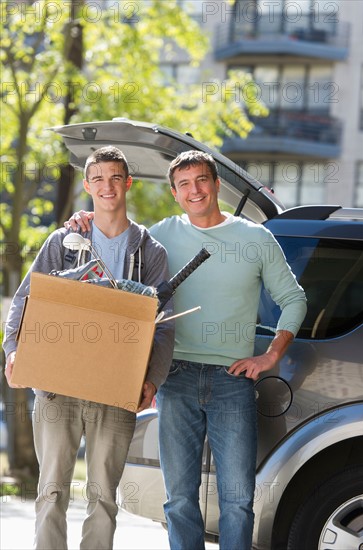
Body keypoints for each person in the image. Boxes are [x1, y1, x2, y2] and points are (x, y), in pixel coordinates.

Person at [65, 150, 307, 550]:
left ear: (215, 184)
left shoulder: (255, 239)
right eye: (184, 184)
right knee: (179, 500)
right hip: (174, 377)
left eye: (201, 181)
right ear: (175, 194)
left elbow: (294, 300)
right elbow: (121, 274)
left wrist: (271, 356)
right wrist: (84, 221)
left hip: (234, 380)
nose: (194, 190)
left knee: (238, 500)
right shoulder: (160, 235)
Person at [3, 146, 174, 550]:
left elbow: (164, 328)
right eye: (98, 179)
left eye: (115, 178)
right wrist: (14, 350)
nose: (107, 186)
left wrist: (152, 378)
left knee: (103, 497)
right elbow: (26, 300)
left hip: (117, 390)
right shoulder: (64, 242)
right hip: (57, 386)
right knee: (51, 492)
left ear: (128, 183)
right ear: (87, 186)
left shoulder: (150, 252)